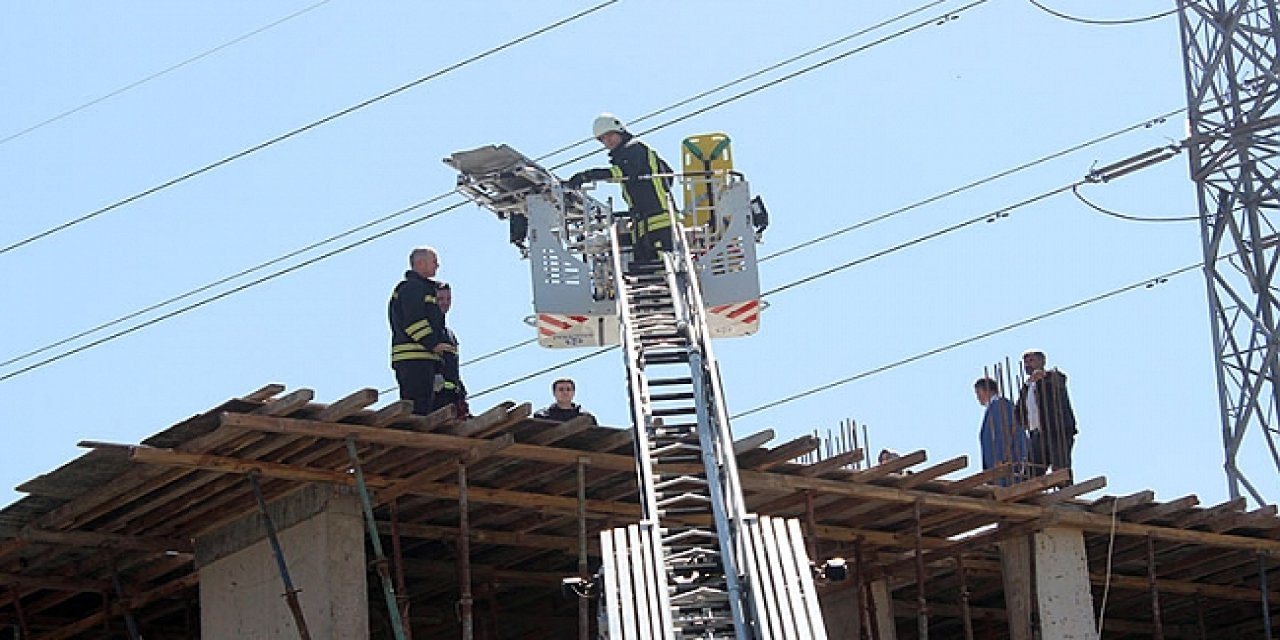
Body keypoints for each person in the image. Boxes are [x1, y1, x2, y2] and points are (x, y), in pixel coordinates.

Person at [566, 113, 676, 264]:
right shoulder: (640, 151)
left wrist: (588, 176)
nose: (607, 141)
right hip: (645, 222)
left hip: (657, 221)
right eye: (602, 139)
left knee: (662, 265)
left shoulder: (633, 149)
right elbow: (668, 174)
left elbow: (622, 173)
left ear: (620, 131)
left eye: (610, 135)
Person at [388, 247, 450, 415]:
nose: (437, 265)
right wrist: (433, 343)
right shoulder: (412, 288)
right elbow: (414, 321)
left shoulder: (422, 288)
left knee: (426, 406)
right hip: (413, 357)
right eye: (434, 261)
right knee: (417, 407)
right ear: (420, 263)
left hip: (422, 357)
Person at [1014, 349, 1078, 478]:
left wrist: (1043, 377)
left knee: (1060, 470)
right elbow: (1018, 412)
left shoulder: (1053, 377)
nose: (1027, 365)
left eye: (1031, 361)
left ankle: (1064, 492)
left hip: (1056, 431)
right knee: (1031, 473)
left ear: (1042, 361)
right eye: (1025, 362)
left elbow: (1059, 381)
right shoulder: (1027, 387)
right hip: (1037, 435)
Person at [974, 376, 1028, 486]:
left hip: (1006, 464)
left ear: (987, 391)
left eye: (978, 393)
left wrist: (1001, 458)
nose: (978, 397)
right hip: (998, 465)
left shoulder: (1000, 405)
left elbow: (1003, 433)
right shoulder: (994, 408)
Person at [430, 282, 470, 418]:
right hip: (435, 400)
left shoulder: (449, 335)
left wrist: (461, 392)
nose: (445, 303)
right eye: (440, 299)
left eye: (448, 299)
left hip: (452, 397)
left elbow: (453, 368)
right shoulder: (427, 331)